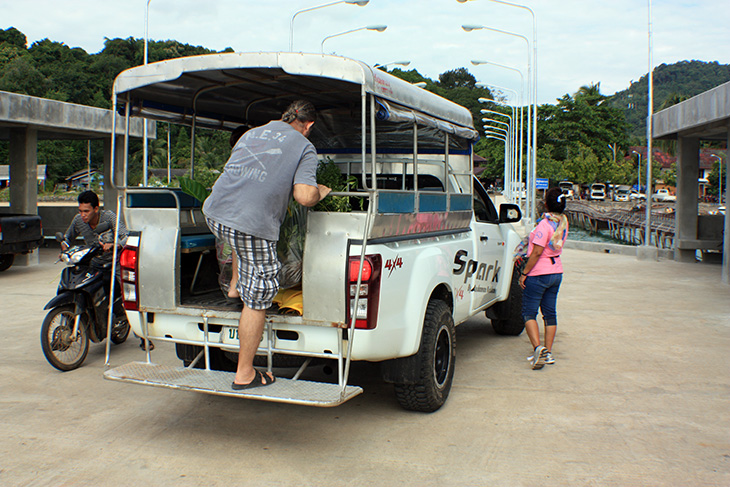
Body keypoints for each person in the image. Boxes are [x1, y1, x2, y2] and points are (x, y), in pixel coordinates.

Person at [203, 100, 331, 390]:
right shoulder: (304, 146)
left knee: (239, 237)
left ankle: (236, 283)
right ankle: (245, 373)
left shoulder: (252, 133)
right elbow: (303, 196)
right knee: (259, 296)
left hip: (214, 213)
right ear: (308, 125)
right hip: (251, 225)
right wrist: (320, 192)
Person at [63, 190, 153, 351]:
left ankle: (143, 336)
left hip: (116, 263)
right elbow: (67, 236)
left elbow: (125, 235)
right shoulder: (78, 220)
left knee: (130, 295)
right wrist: (64, 245)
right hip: (94, 263)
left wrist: (116, 244)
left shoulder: (109, 217)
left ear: (96, 209)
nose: (83, 215)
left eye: (86, 211)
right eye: (80, 211)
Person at [518, 187, 569, 370]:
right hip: (556, 272)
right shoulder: (563, 223)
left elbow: (537, 252)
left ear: (545, 204)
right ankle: (548, 352)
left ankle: (538, 349)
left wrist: (524, 273)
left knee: (528, 313)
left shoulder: (544, 226)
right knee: (549, 313)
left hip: (539, 273)